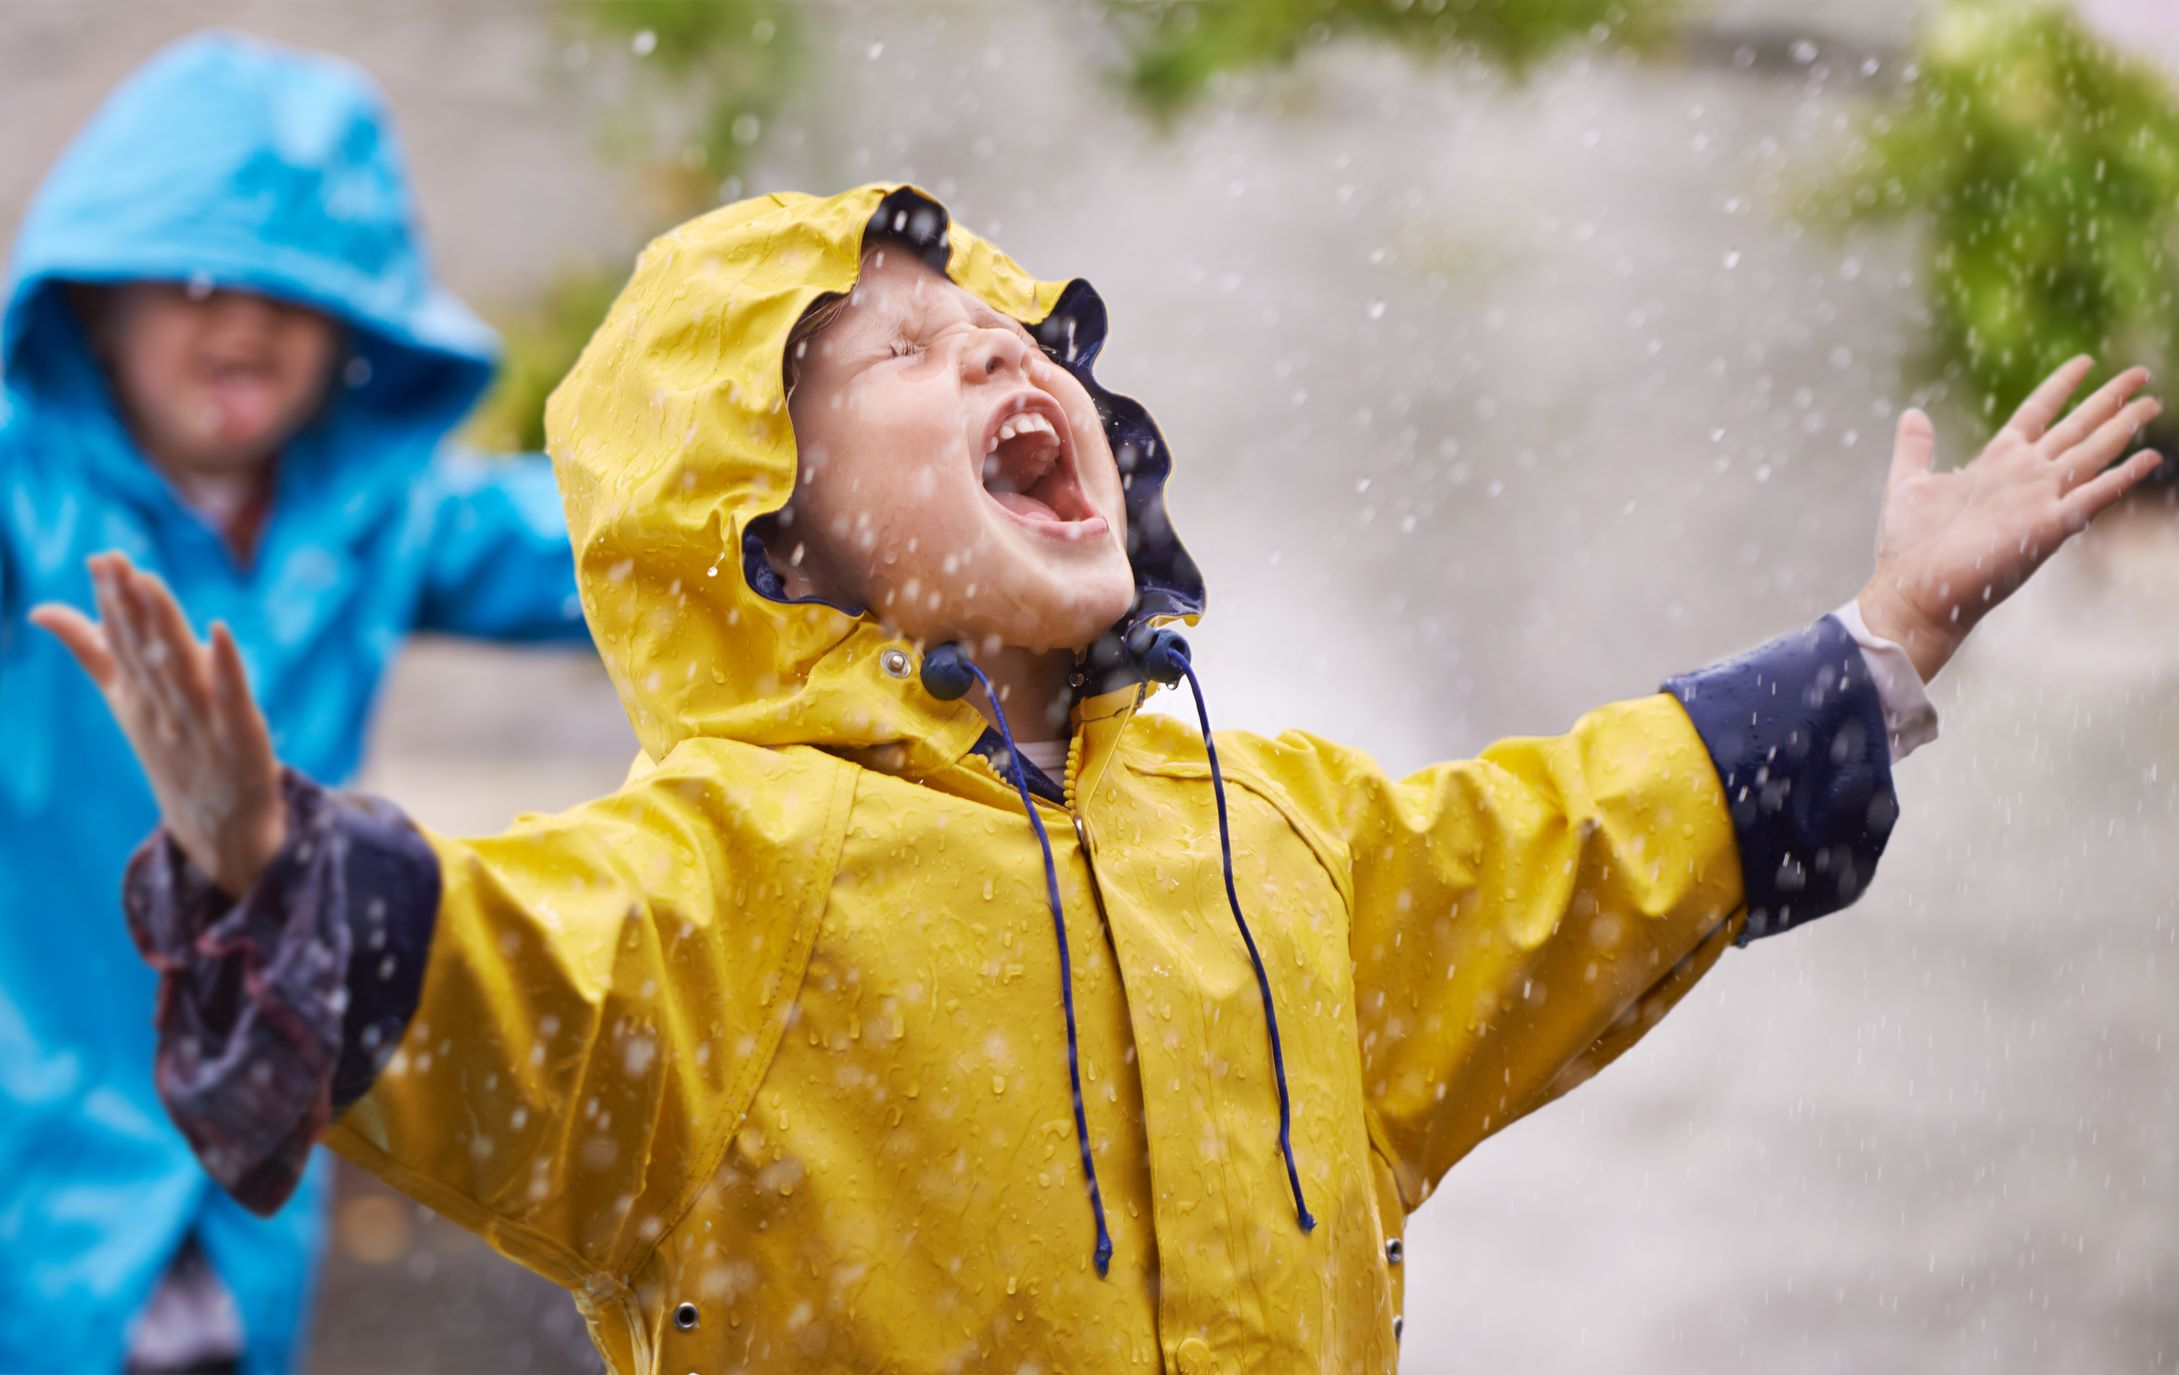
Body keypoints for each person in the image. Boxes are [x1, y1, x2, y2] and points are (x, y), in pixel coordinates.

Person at [40, 184, 2162, 1373]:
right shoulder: (734, 883)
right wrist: (266, 867)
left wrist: (1881, 644)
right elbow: (504, 974)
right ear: (770, 542)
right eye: (893, 354)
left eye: (1007, 331)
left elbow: (1576, 846)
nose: (996, 347)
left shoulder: (1278, 833)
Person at [0, 31, 590, 1375]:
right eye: (195, 279)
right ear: (100, 307)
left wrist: (835, 515)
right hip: (35, 1123)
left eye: (298, 289)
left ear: (358, 327)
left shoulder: (374, 518)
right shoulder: (26, 494)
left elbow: (602, 550)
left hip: (251, 1134)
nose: (246, 318)